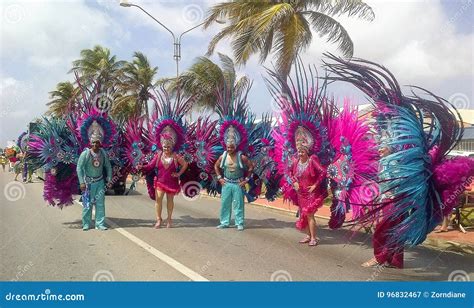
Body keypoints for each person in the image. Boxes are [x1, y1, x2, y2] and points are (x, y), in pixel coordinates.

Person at [362, 146, 404, 268]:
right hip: (387, 200)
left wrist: (391, 194)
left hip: (393, 201)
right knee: (393, 231)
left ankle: (378, 257)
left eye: (383, 148)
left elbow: (399, 181)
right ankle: (393, 260)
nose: (379, 150)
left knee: (381, 229)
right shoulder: (384, 163)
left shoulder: (392, 162)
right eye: (379, 148)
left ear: (390, 149)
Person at [138, 132, 188, 229]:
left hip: (171, 182)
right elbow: (150, 166)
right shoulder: (158, 155)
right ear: (162, 146)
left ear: (172, 147)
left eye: (168, 147)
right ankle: (158, 219)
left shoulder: (175, 156)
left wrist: (178, 174)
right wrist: (142, 167)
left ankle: (169, 219)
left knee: (170, 201)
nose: (166, 149)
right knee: (159, 200)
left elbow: (185, 164)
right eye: (165, 147)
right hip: (160, 181)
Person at [290, 137, 327, 246]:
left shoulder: (312, 160)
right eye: (299, 151)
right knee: (303, 214)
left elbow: (323, 172)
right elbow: (290, 173)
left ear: (307, 152)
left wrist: (315, 185)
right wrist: (294, 182)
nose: (300, 154)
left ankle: (313, 238)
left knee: (310, 214)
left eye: (302, 151)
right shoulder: (296, 162)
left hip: (311, 193)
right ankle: (308, 236)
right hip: (301, 193)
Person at [214, 131, 254, 231]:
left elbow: (251, 167)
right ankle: (224, 222)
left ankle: (239, 223)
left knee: (238, 204)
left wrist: (246, 180)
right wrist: (219, 178)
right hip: (226, 183)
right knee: (225, 204)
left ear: (235, 147)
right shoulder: (223, 157)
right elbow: (216, 166)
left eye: (231, 147)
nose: (229, 149)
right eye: (228, 147)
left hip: (238, 184)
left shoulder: (241, 157)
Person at [76, 130, 112, 231]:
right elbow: (79, 168)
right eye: (94, 142)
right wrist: (81, 182)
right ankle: (86, 223)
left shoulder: (103, 153)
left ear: (100, 143)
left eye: (97, 142)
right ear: (90, 143)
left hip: (100, 182)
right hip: (88, 183)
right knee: (87, 204)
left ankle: (99, 224)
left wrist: (109, 180)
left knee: (100, 204)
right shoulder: (85, 154)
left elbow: (108, 167)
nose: (95, 144)